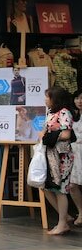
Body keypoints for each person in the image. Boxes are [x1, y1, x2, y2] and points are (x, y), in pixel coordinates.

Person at [37, 86, 76, 236]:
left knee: (60, 189)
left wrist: (50, 136)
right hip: (50, 155)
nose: (46, 99)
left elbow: (66, 134)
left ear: (55, 99)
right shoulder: (50, 112)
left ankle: (62, 224)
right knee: (46, 186)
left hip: (62, 156)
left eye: (48, 97)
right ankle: (63, 216)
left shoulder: (64, 112)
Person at [67, 90, 82, 226]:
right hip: (74, 152)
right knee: (72, 185)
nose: (79, 101)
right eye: (77, 98)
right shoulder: (73, 115)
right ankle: (81, 212)